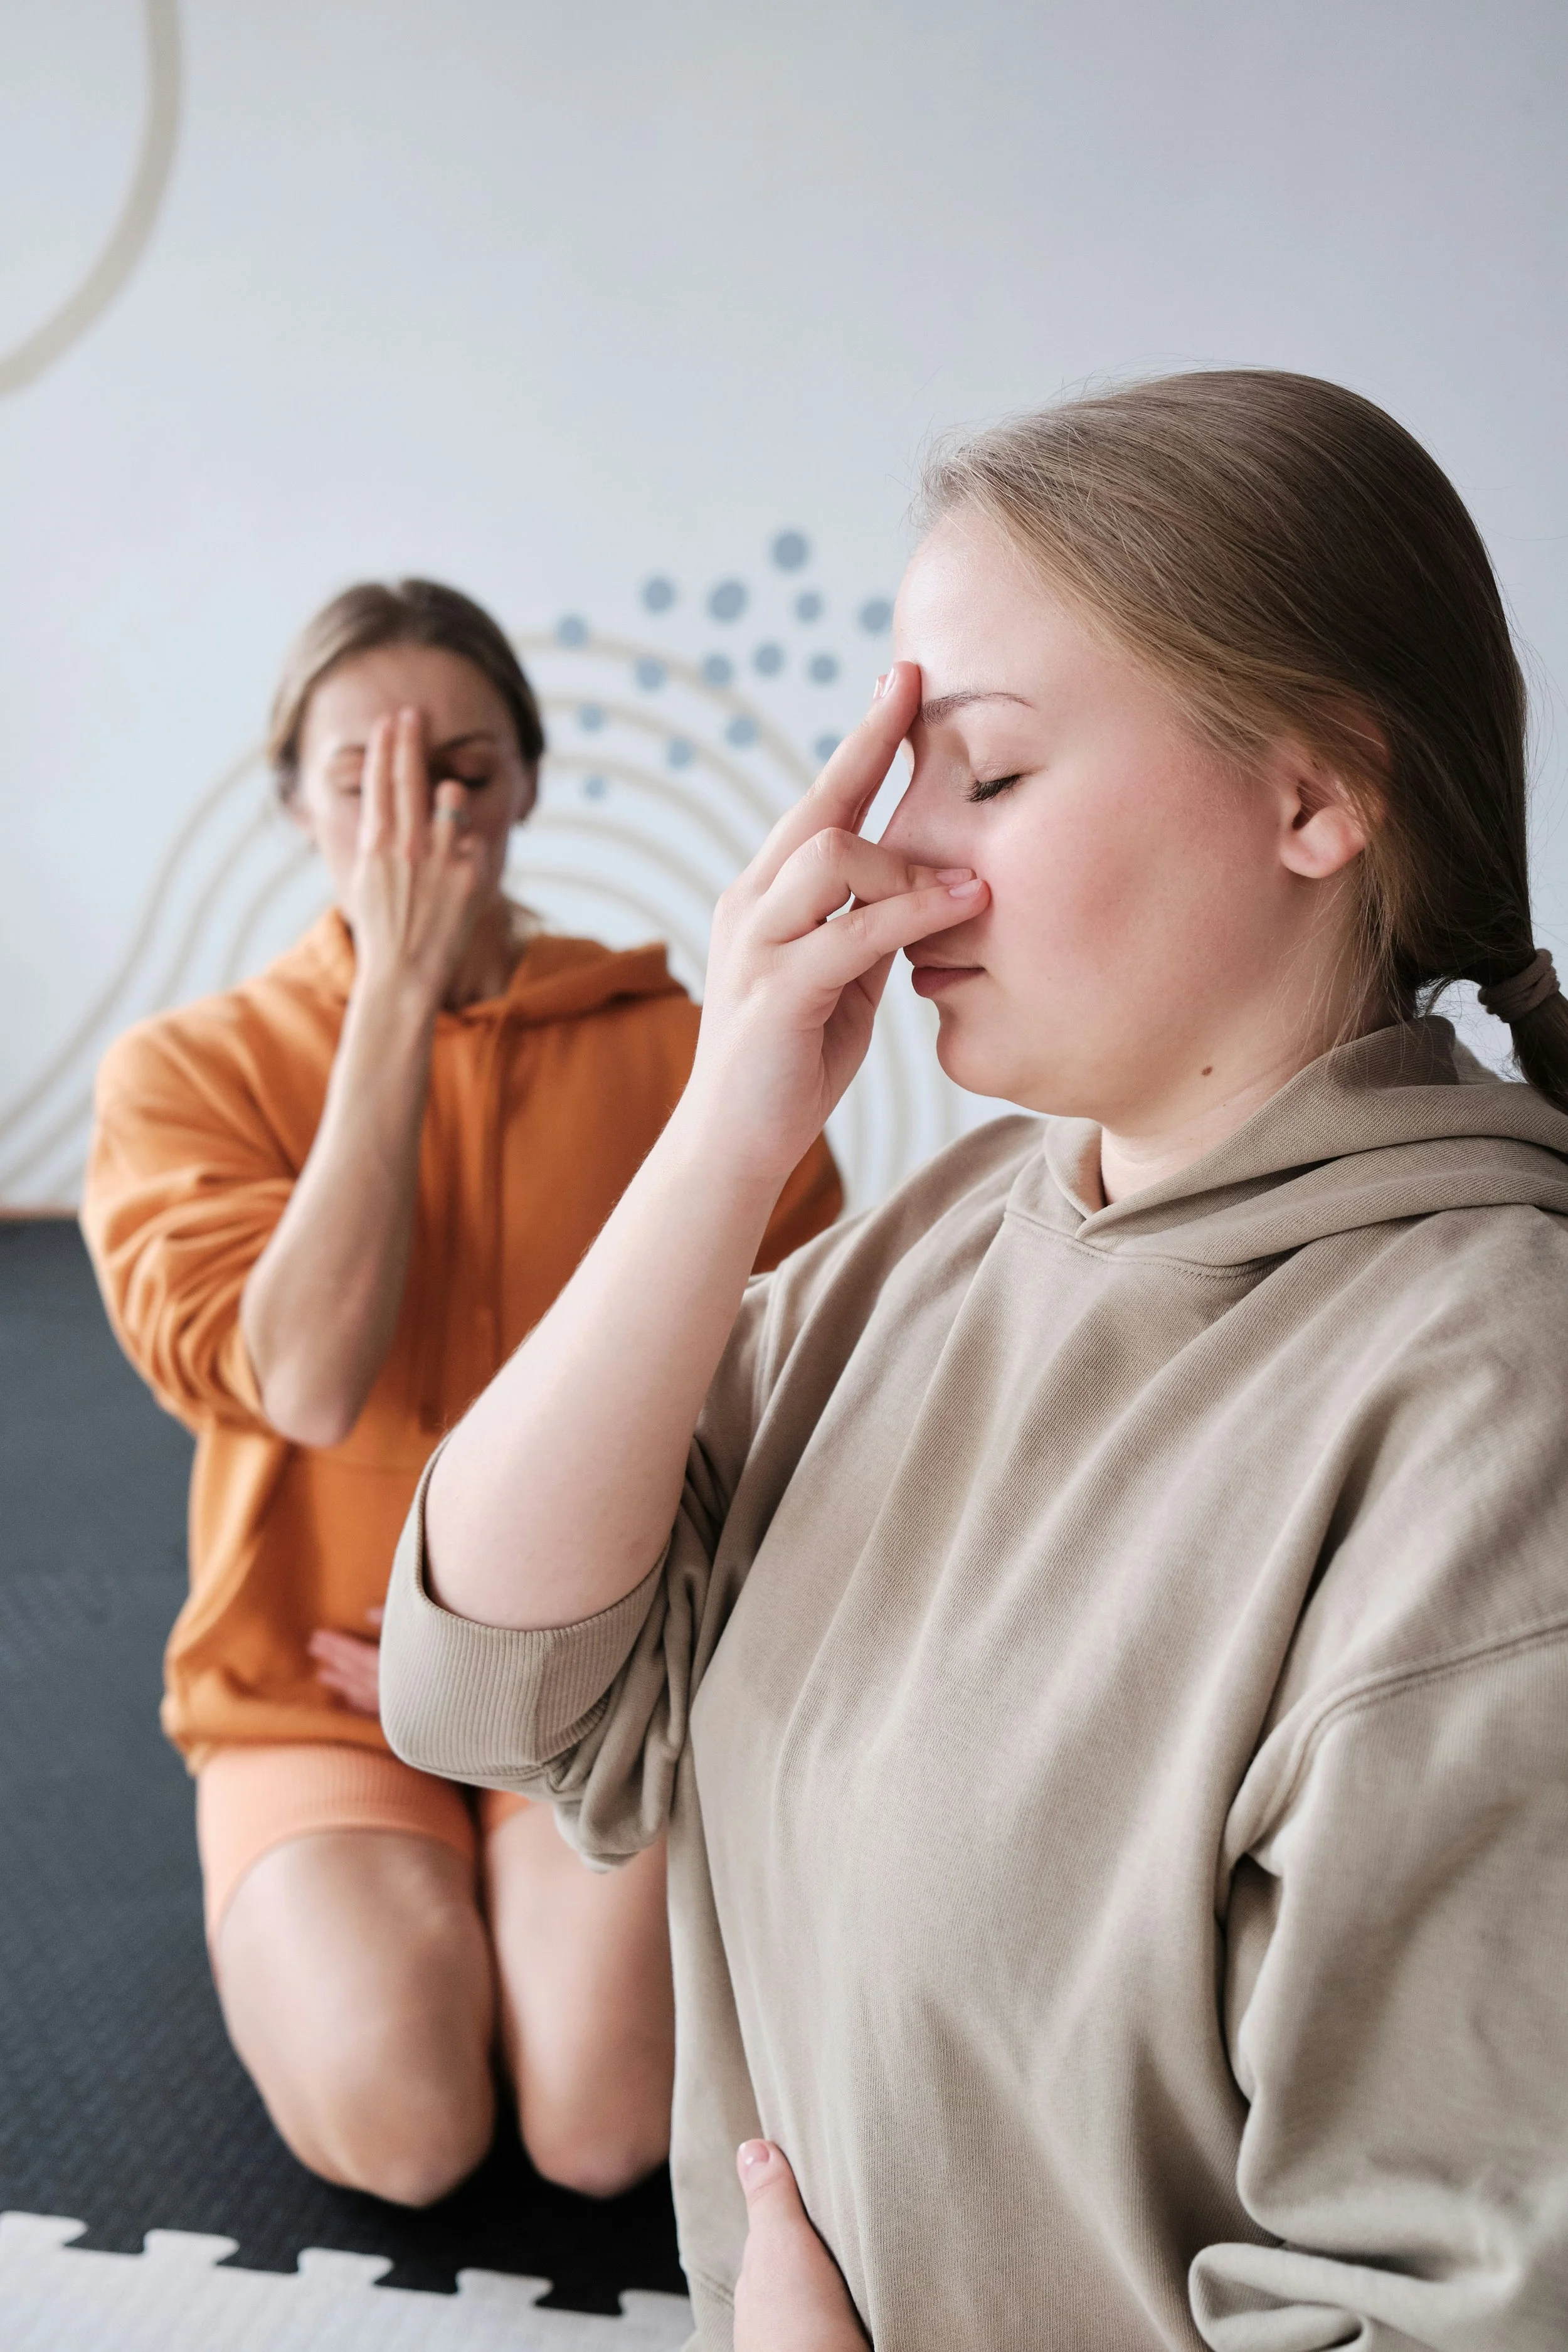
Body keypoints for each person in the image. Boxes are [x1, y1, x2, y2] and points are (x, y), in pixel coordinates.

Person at [379, 376, 1568, 2351]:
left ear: (1311, 798)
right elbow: (488, 1684)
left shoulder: (1488, 1416)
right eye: (888, 763)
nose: (882, 843)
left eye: (985, 771)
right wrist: (723, 1132)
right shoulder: (925, 1252)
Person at [82, 578, 841, 2210]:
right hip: (307, 1680)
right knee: (406, 2134)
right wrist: (393, 1004)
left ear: (527, 787)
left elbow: (796, 1413)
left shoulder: (685, 1052)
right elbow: (305, 1380)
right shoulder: (183, 1073)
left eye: (462, 770)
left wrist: (556, 1657)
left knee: (603, 2131)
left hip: (593, 1677)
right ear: (292, 802)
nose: (413, 815)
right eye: (359, 776)